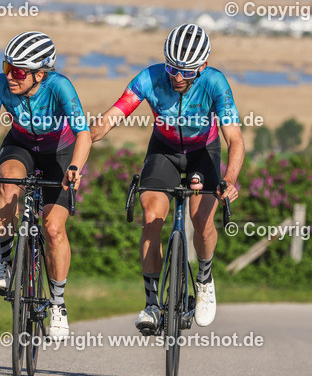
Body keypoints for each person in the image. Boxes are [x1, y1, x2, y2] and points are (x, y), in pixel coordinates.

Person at [90, 23, 243, 334]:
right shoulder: (149, 77)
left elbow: (235, 140)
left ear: (203, 65)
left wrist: (228, 180)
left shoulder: (215, 83)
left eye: (186, 72)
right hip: (164, 149)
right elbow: (112, 117)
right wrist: (82, 138)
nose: (176, 77)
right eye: (172, 68)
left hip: (203, 150)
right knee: (151, 218)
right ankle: (151, 305)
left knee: (201, 221)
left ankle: (204, 277)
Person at [0, 31, 90, 340]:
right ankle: (4, 262)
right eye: (7, 67)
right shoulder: (0, 84)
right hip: (21, 145)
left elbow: (84, 133)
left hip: (59, 151)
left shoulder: (59, 86)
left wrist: (75, 168)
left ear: (40, 74)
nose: (10, 76)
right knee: (7, 186)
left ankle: (59, 304)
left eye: (19, 72)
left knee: (52, 228)